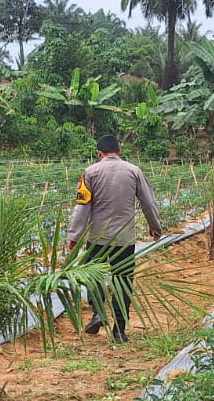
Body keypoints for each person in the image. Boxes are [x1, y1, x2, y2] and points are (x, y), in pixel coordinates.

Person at [66, 135, 162, 344]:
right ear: (119, 152)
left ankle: (99, 312)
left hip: (97, 238)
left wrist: (74, 235)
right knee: (123, 282)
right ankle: (119, 330)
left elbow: (82, 206)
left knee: (93, 276)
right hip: (124, 240)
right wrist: (155, 227)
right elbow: (148, 202)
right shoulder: (134, 171)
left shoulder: (90, 173)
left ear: (99, 153)